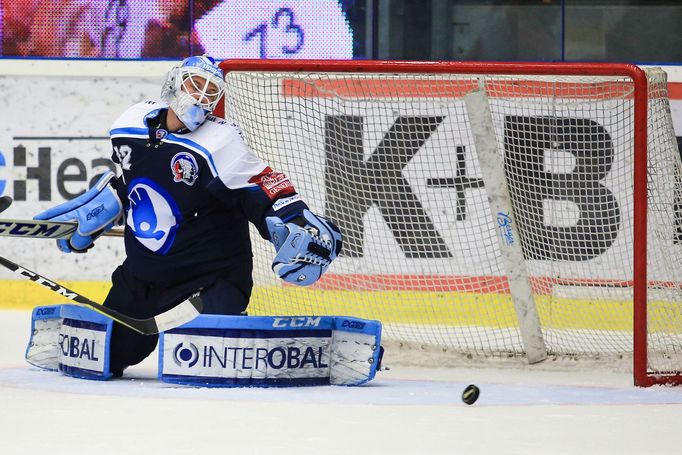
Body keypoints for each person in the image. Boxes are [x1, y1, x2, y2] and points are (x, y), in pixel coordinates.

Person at [33, 55, 342, 377]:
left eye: (212, 92)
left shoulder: (221, 141)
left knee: (213, 361)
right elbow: (132, 178)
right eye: (196, 84)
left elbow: (261, 186)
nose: (202, 96)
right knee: (106, 358)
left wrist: (294, 218)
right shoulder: (129, 124)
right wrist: (112, 200)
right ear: (174, 83)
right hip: (144, 277)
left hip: (209, 279)